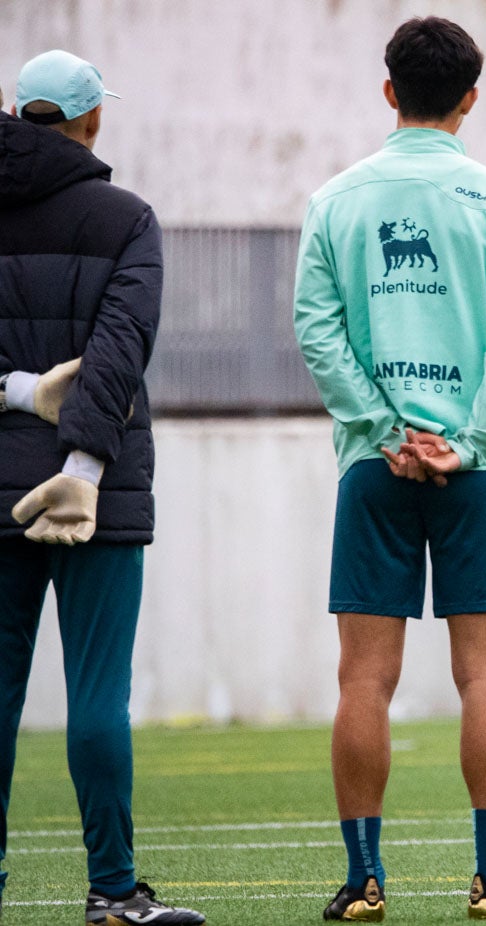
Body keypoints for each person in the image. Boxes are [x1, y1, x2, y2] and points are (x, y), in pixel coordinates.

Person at [292, 17, 486, 920]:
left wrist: (382, 427)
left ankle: (362, 880)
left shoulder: (336, 199)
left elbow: (317, 333)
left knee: (363, 679)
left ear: (387, 90)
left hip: (374, 466)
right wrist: (467, 436)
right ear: (471, 98)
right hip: (477, 469)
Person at [0, 50, 204, 924]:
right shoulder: (126, 217)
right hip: (99, 493)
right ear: (91, 122)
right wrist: (80, 468)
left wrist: (15, 389)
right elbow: (121, 350)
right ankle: (113, 893)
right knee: (96, 696)